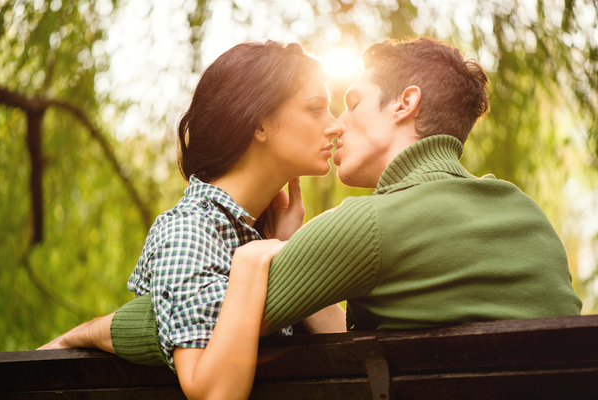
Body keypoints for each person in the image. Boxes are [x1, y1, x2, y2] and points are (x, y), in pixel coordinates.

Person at [42, 36, 582, 391]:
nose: (337, 125)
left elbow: (206, 324)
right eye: (320, 107)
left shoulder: (369, 224)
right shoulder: (525, 212)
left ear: (405, 103)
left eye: (350, 101)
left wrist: (82, 333)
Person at [41, 40, 346, 400]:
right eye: (316, 109)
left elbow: (354, 354)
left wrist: (291, 254)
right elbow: (213, 392)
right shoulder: (189, 231)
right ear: (259, 123)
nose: (336, 126)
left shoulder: (260, 236)